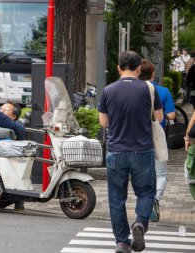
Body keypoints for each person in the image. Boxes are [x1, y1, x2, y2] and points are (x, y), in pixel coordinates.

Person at [98, 51, 163, 253]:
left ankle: (122, 242)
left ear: (118, 68)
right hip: (142, 150)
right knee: (146, 192)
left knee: (117, 198)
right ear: (138, 69)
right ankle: (140, 223)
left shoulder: (108, 90)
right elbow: (159, 118)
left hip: (116, 151)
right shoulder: (149, 89)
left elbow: (103, 122)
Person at [139, 59, 176, 223]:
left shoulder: (133, 90)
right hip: (157, 137)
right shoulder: (162, 91)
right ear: (153, 74)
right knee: (160, 173)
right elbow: (171, 115)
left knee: (141, 174)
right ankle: (155, 198)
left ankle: (144, 203)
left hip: (138, 138)